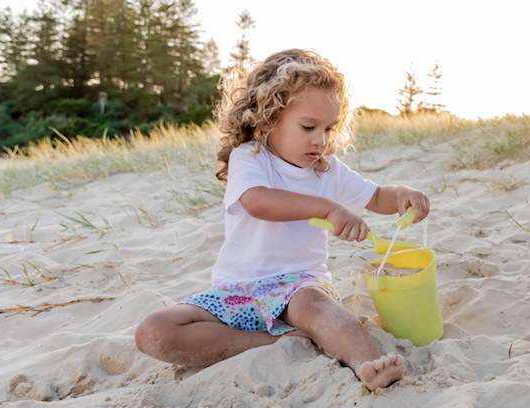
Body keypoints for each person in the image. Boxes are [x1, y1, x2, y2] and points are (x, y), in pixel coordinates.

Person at [135, 49, 429, 389]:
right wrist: (327, 208)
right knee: (154, 331)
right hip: (237, 291)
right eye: (308, 126)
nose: (320, 140)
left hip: (299, 288)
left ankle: (367, 363)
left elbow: (377, 196)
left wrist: (402, 194)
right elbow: (259, 202)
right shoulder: (251, 158)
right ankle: (277, 341)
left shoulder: (327, 170)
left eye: (329, 128)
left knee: (325, 311)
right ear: (268, 119)